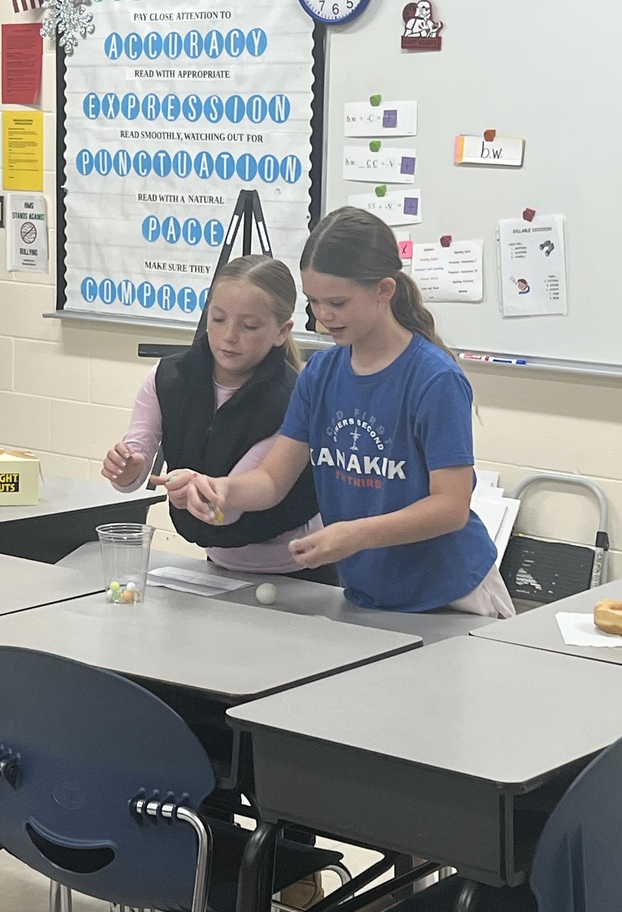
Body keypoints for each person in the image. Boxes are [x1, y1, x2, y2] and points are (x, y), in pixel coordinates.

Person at [175, 207, 515, 618]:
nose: (323, 316)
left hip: (451, 595)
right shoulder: (320, 374)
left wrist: (355, 535)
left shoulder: (434, 380)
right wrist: (224, 490)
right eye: (314, 302)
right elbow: (271, 479)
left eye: (337, 302)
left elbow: (451, 507)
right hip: (367, 592)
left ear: (384, 290)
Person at [102, 254, 337, 584]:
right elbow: (132, 468)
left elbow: (226, 510)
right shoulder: (167, 379)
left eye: (249, 326)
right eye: (218, 319)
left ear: (281, 332)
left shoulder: (292, 400)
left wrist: (197, 491)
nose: (229, 336)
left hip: (299, 573)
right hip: (219, 567)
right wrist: (127, 469)